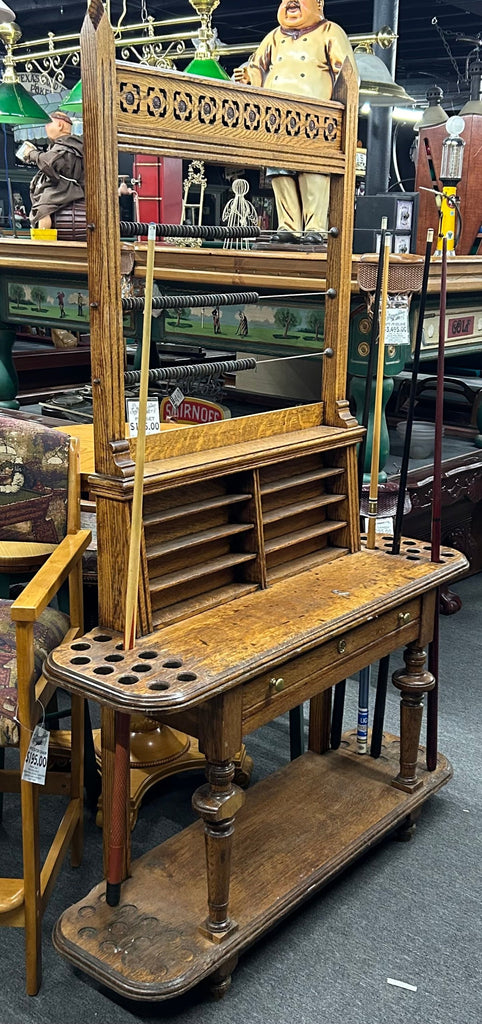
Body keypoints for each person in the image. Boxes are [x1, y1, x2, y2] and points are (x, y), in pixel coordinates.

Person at [234, 0, 357, 235]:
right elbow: (258, 67)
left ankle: (314, 227)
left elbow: (347, 75)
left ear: (318, 3)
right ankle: (288, 226)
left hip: (317, 118)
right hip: (276, 116)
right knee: (279, 172)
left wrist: (342, 112)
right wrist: (249, 76)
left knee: (313, 172)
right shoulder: (272, 37)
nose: (291, 3)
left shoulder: (329, 31)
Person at [20, 111, 84, 230]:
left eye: (49, 124)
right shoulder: (63, 145)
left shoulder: (68, 146)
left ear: (60, 125)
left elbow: (49, 162)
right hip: (61, 185)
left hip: (65, 188)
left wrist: (32, 154)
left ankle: (45, 241)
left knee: (44, 207)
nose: (46, 127)